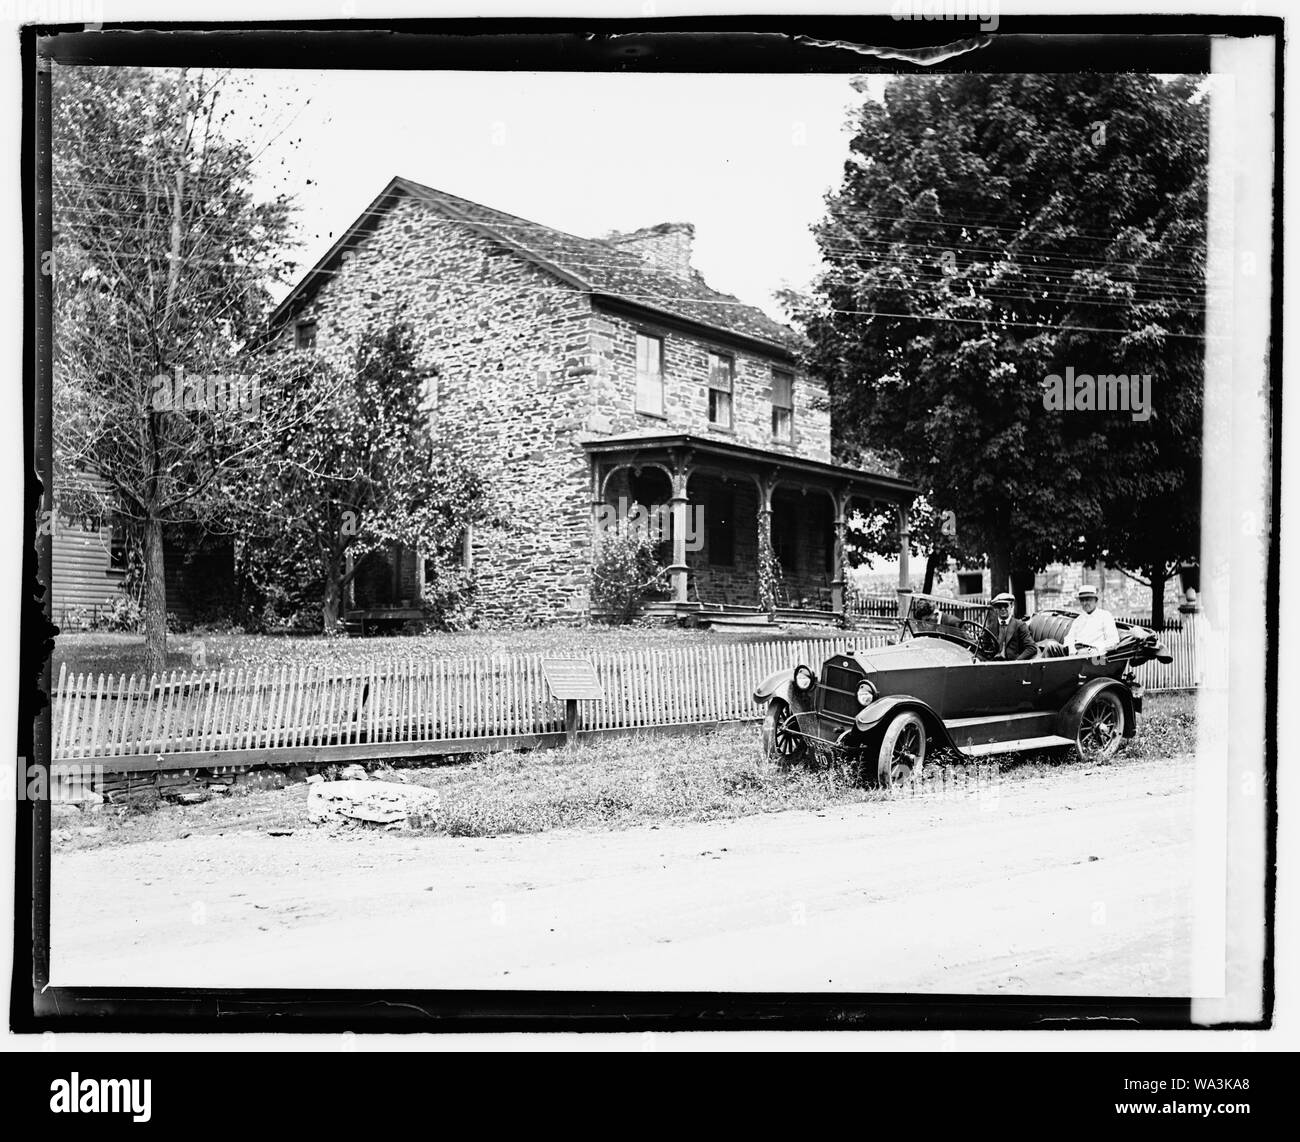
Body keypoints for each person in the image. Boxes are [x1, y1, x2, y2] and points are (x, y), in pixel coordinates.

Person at [1065, 585, 1119, 655]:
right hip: (1077, 655)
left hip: (1095, 656)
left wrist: (1094, 649)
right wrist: (1074, 652)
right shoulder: (1078, 620)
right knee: (1050, 645)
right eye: (1082, 600)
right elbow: (1069, 639)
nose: (1085, 603)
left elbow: (1113, 640)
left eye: (1088, 600)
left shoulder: (1105, 616)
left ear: (1095, 600)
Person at [988, 591, 1038, 660]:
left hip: (1013, 666)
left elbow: (1031, 648)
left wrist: (1017, 661)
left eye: (1005, 605)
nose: (1002, 609)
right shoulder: (990, 628)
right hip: (993, 665)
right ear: (996, 608)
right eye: (999, 606)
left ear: (1011, 606)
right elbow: (984, 648)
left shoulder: (1020, 626)